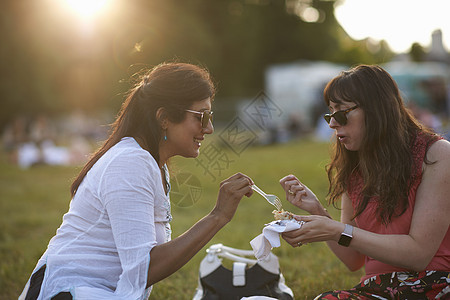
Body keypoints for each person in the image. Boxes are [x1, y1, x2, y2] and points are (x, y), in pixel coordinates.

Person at [19, 62, 254, 299]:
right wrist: (218, 216)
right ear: (164, 118)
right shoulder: (130, 162)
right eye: (202, 117)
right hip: (67, 292)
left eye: (210, 116)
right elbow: (143, 269)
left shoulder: (150, 162)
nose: (210, 128)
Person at [279, 65, 450, 299]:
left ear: (376, 109)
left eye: (341, 113)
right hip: (380, 288)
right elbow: (354, 259)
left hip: (433, 283)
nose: (332, 124)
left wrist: (337, 229)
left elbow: (419, 254)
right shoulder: (354, 165)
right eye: (329, 114)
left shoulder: (437, 154)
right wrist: (319, 213)